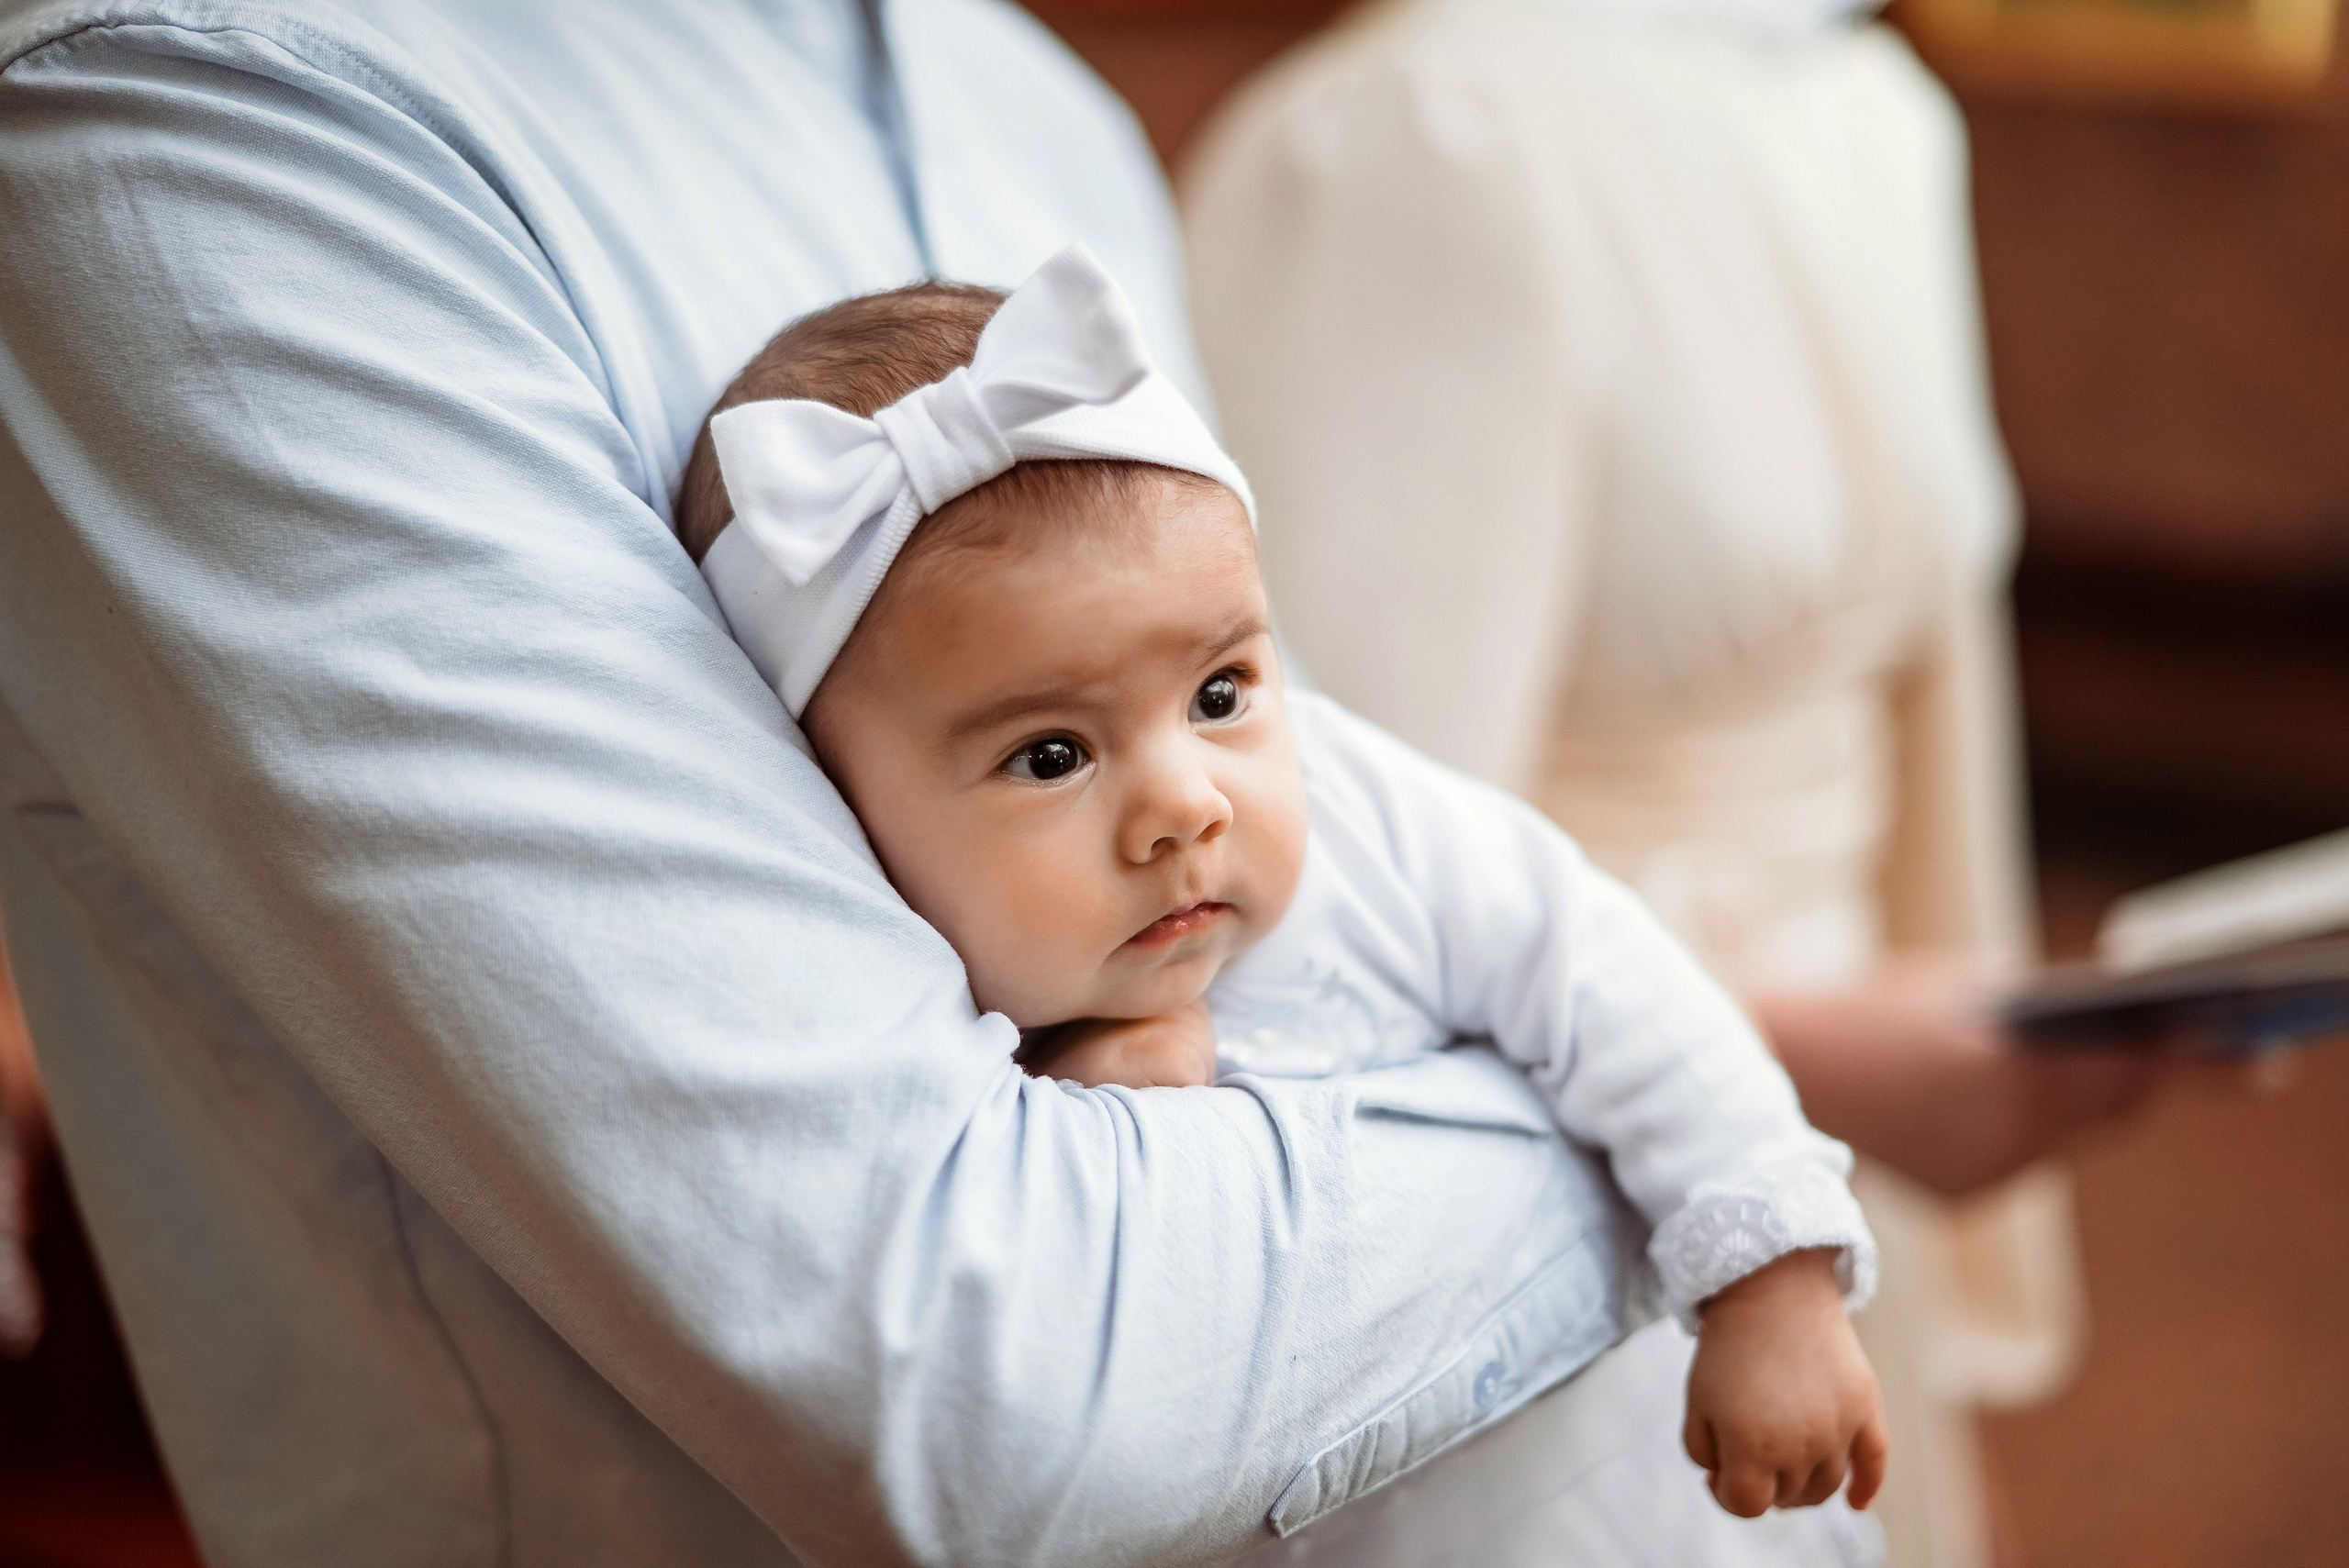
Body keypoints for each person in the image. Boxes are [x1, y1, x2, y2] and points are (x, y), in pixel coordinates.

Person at [0, 1, 1728, 1562]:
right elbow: (1018, 1393)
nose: (1170, 793)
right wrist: (1667, 1128)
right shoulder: (214, 115)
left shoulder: (1030, 97)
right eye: (1049, 751)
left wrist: (1657, 1097)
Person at [675, 244, 1888, 1524]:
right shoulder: (890, 1012)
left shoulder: (1366, 820)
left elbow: (1614, 979)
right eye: (1050, 755)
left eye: (1219, 693)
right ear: (844, 806)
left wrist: (1774, 1277)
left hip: (1606, 1505)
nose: (1186, 804)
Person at [1182, 1, 2169, 1562]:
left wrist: (1959, 1023)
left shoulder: (1867, 97)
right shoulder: (1415, 144)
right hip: (1589, 1198)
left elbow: (1918, 705)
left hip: (1847, 1128)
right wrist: (1793, 1066)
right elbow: (1296, 914)